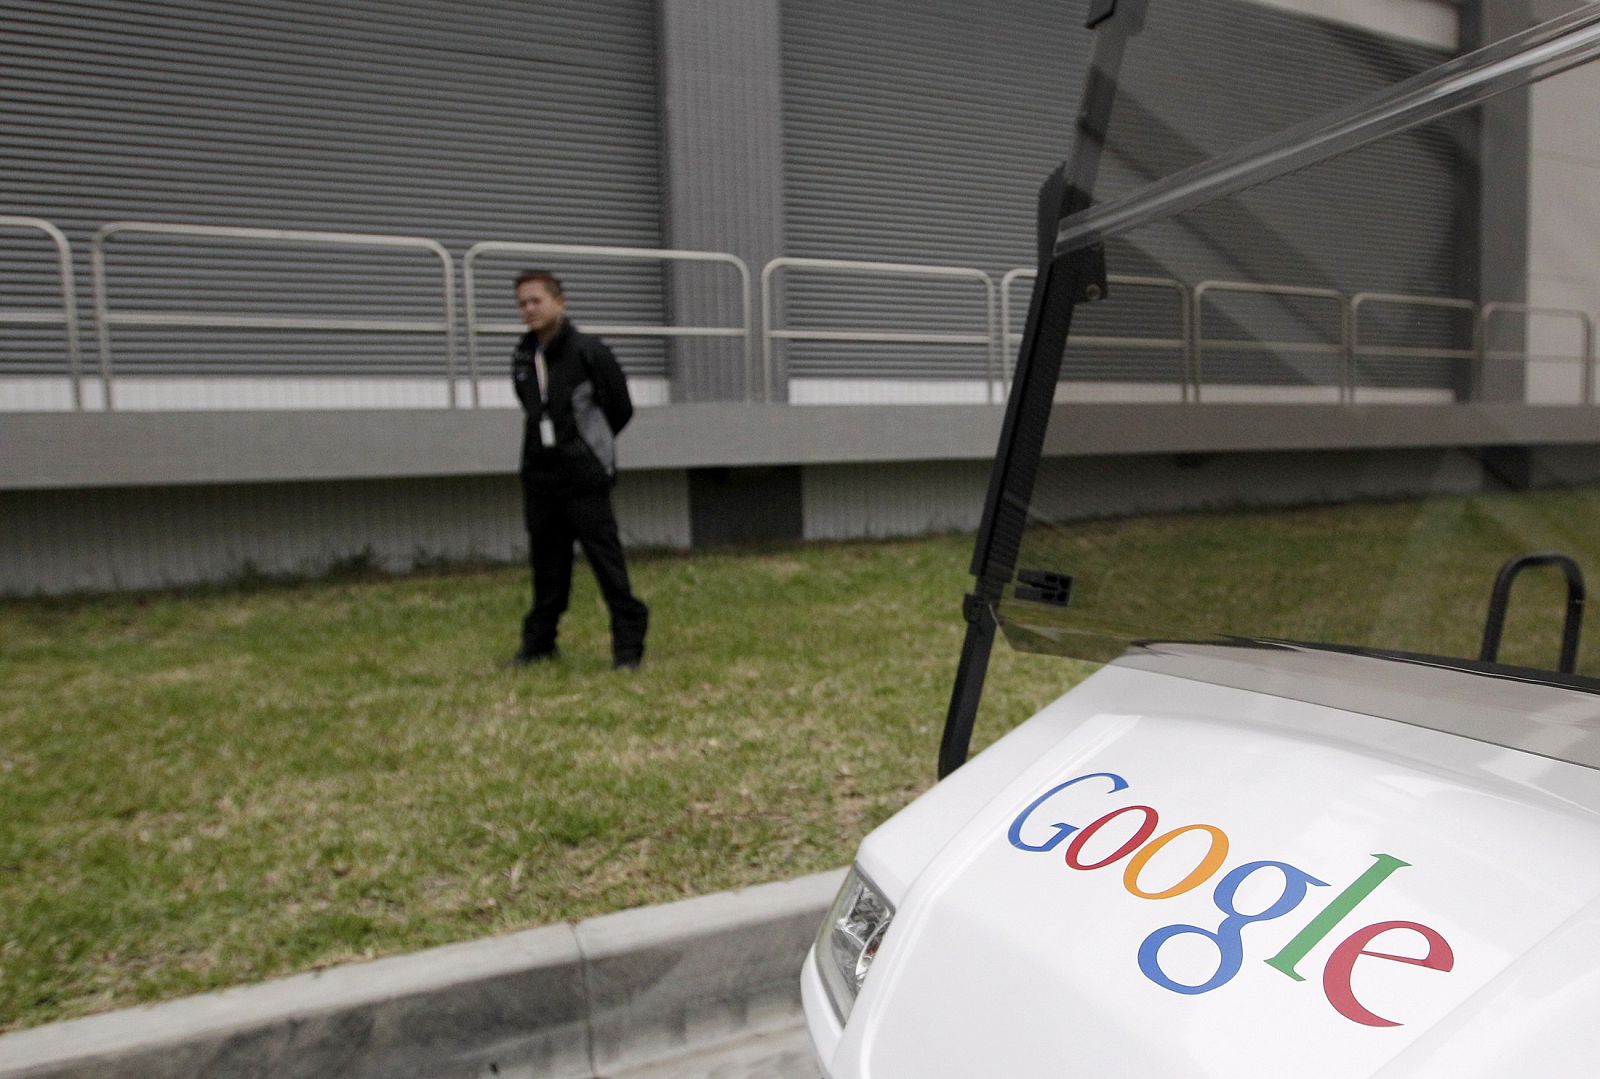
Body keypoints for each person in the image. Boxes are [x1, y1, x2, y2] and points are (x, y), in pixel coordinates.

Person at [509, 269, 648, 670]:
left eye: (536, 300)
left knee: (607, 565)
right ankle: (538, 645)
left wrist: (588, 450)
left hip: (583, 478)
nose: (529, 309)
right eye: (522, 303)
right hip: (540, 477)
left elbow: (620, 408)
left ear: (559, 302)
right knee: (547, 567)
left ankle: (627, 649)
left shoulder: (589, 351)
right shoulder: (524, 355)